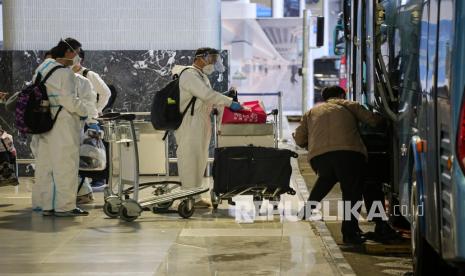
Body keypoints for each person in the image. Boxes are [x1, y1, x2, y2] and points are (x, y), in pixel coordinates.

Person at [293, 85, 384, 244]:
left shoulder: (311, 112)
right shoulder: (351, 106)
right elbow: (373, 121)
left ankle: (307, 210)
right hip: (348, 155)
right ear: (342, 95)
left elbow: (299, 140)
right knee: (352, 193)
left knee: (326, 179)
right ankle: (349, 233)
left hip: (319, 157)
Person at [172, 47, 242, 208]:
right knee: (190, 159)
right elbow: (206, 95)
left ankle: (195, 197)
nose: (214, 62)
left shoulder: (200, 75)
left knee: (200, 159)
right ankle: (188, 197)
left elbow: (205, 98)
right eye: (212, 58)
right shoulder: (189, 74)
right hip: (190, 122)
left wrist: (221, 102)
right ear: (200, 57)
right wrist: (230, 102)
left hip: (201, 120)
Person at [33, 38, 89, 217]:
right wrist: (85, 110)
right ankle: (65, 207)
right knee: (66, 166)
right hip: (63, 124)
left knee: (46, 167)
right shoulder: (66, 74)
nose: (78, 57)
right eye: (77, 52)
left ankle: (47, 205)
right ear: (68, 52)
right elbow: (69, 101)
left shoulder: (41, 69)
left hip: (44, 123)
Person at [73, 49, 111, 190]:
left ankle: (98, 180)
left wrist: (97, 109)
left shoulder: (88, 74)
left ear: (80, 59)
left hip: (90, 120)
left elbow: (106, 93)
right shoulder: (66, 76)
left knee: (94, 150)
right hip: (75, 120)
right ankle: (82, 182)